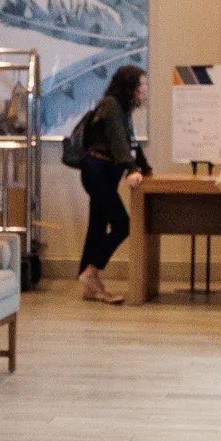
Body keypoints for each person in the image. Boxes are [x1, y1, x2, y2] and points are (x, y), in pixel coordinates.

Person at [76, 64, 150, 304]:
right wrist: (131, 169)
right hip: (97, 171)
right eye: (142, 84)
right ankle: (90, 272)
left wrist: (144, 168)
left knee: (97, 226)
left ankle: (90, 286)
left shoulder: (121, 107)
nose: (145, 88)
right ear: (130, 87)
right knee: (122, 225)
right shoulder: (111, 105)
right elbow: (119, 140)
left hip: (104, 173)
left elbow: (131, 143)